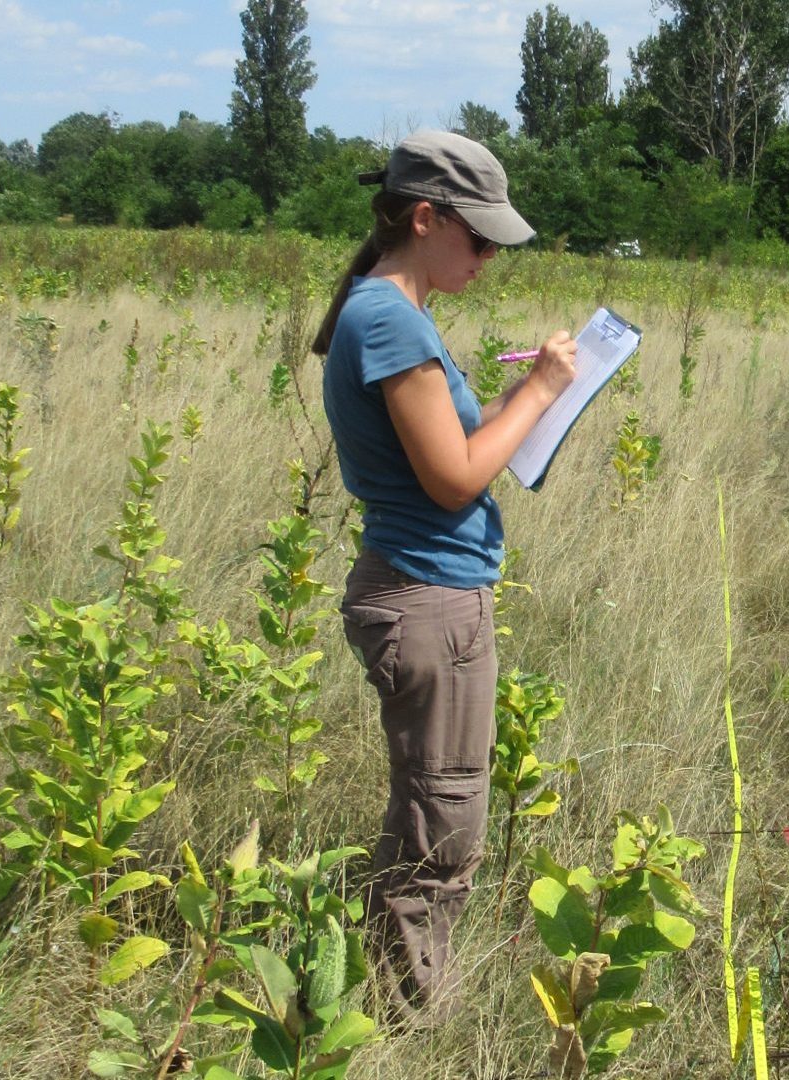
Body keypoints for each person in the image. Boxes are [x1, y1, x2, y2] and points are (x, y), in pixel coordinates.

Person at [312, 129, 577, 1022]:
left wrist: (535, 389)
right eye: (480, 238)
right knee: (443, 828)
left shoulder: (388, 307)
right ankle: (411, 1022)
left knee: (430, 808)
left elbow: (456, 448)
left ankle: (383, 997)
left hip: (425, 588)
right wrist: (537, 395)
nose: (490, 258)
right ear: (425, 217)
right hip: (427, 598)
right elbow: (455, 477)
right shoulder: (387, 317)